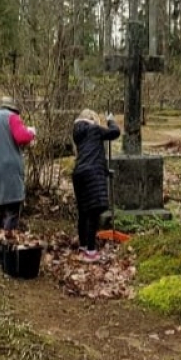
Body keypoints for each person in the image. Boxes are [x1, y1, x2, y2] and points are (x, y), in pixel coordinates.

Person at [0, 97, 37, 243]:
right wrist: (31, 132)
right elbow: (22, 137)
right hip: (9, 167)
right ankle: (8, 240)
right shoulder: (11, 117)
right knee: (14, 204)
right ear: (13, 109)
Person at [70, 109, 121, 261]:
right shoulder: (94, 129)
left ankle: (83, 246)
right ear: (92, 119)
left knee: (84, 212)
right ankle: (91, 252)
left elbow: (91, 154)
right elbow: (115, 132)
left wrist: (105, 171)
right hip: (92, 173)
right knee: (93, 212)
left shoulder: (78, 133)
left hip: (79, 173)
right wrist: (111, 120)